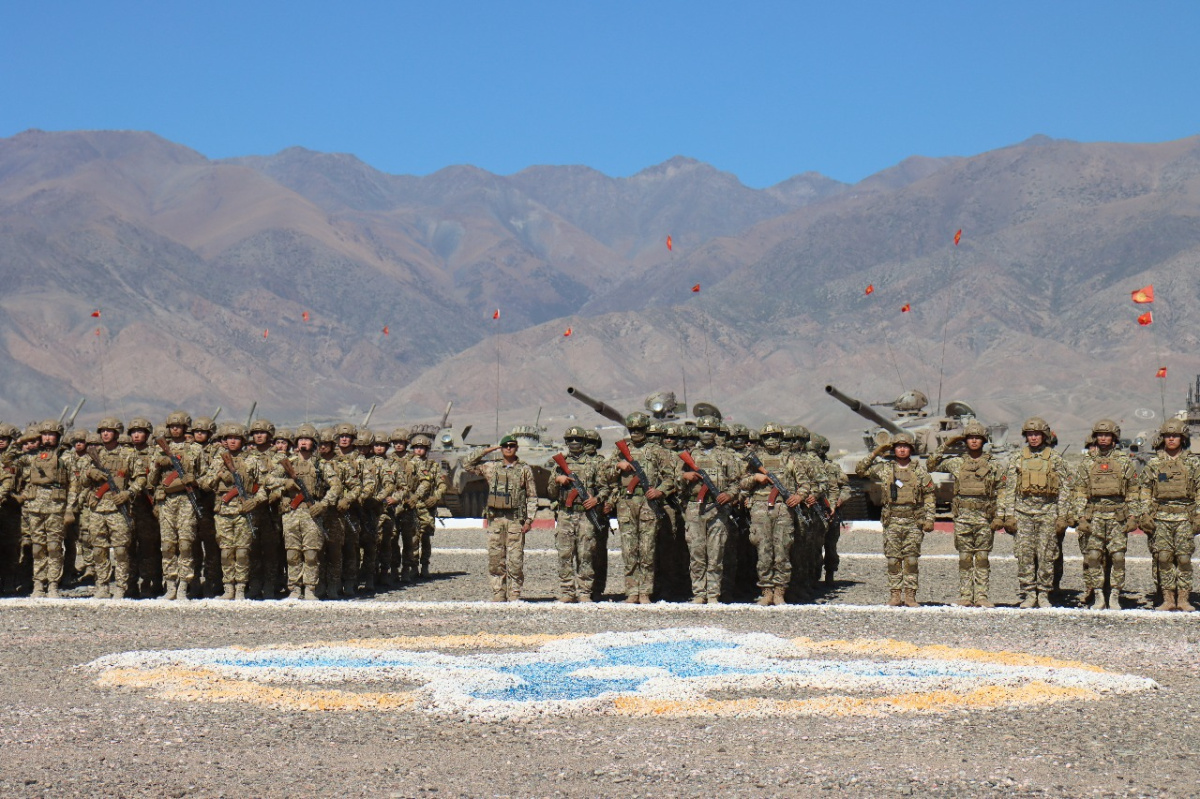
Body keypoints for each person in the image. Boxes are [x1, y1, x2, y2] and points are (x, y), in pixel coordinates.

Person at [999, 417, 1072, 608]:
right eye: (1030, 434)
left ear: (1044, 436)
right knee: (1025, 555)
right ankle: (1029, 593)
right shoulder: (1017, 458)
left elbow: (1065, 489)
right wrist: (1009, 515)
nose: (1033, 438)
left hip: (1047, 513)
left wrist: (1062, 516)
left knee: (1047, 555)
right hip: (1023, 514)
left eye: (1037, 434)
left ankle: (1044, 593)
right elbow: (1009, 489)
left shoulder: (1055, 459)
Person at [928, 420, 1002, 607]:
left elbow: (1002, 490)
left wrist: (1000, 515)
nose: (974, 441)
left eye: (978, 438)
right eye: (970, 438)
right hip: (963, 517)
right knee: (965, 558)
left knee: (983, 557)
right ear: (965, 440)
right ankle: (966, 596)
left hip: (985, 516)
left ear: (983, 440)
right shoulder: (956, 462)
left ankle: (982, 596)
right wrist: (946, 444)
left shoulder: (993, 465)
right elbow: (931, 465)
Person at [856, 431, 935, 607]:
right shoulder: (885, 469)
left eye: (905, 446)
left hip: (913, 521)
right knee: (893, 559)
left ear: (910, 449)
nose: (901, 450)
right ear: (893, 449)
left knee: (911, 560)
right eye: (898, 446)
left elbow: (929, 496)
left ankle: (910, 596)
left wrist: (929, 518)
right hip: (892, 520)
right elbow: (860, 470)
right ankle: (895, 595)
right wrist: (876, 451)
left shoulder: (919, 472)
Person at [1070, 419, 1140, 610]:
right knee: (1093, 556)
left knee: (1117, 557)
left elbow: (1133, 490)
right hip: (1095, 516)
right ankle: (1099, 594)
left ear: (1114, 438)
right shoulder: (1087, 463)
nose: (1103, 438)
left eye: (1107, 435)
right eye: (1100, 435)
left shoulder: (1124, 462)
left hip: (1117, 516)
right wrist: (1081, 518)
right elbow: (1079, 491)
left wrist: (1133, 517)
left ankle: (1115, 594)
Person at [607, 413, 676, 604]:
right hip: (627, 503)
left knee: (647, 548)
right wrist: (618, 467)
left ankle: (645, 591)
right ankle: (632, 591)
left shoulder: (656, 451)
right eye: (632, 430)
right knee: (629, 549)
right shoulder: (620, 451)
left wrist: (659, 491)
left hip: (648, 503)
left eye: (639, 429)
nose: (636, 433)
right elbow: (606, 475)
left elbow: (671, 477)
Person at [72, 418, 143, 599]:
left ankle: (121, 587)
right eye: (102, 430)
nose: (105, 433)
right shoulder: (93, 455)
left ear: (117, 433)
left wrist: (129, 493)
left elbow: (141, 478)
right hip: (97, 508)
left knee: (120, 550)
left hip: (119, 509)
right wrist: (89, 473)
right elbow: (82, 481)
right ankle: (102, 586)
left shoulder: (128, 454)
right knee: (98, 549)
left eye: (109, 430)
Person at [740, 423, 811, 605]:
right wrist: (756, 477)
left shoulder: (791, 459)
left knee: (782, 551)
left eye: (775, 436)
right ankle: (766, 591)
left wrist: (798, 496)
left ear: (781, 438)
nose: (771, 440)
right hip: (761, 509)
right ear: (762, 440)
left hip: (783, 510)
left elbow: (804, 484)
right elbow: (742, 483)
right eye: (767, 437)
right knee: (763, 551)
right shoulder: (756, 460)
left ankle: (780, 591)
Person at [270, 423, 341, 600]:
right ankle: (294, 589)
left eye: (307, 440)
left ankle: (310, 588)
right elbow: (268, 479)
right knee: (292, 553)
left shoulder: (320, 465)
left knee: (311, 554)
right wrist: (285, 483)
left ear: (313, 443)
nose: (303, 443)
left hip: (312, 514)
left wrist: (324, 504)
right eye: (301, 439)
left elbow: (336, 485)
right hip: (291, 513)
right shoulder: (288, 463)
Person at [463, 435, 538, 601]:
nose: (508, 448)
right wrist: (489, 449)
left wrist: (529, 520)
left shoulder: (524, 469)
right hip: (496, 520)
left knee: (516, 560)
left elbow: (532, 496)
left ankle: (514, 593)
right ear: (501, 448)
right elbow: (467, 464)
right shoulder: (492, 467)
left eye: (512, 445)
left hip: (515, 520)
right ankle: (498, 593)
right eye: (505, 446)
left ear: (516, 448)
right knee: (496, 559)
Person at [198, 423, 267, 600]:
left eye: (236, 438)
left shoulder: (252, 460)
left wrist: (255, 501)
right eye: (229, 438)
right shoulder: (218, 460)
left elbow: (265, 485)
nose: (232, 441)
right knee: (226, 552)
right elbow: (204, 485)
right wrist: (218, 475)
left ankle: (241, 587)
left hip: (244, 512)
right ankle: (229, 587)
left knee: (242, 552)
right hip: (223, 512)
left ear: (243, 440)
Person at [679, 416, 743, 604]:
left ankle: (713, 593)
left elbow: (737, 482)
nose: (706, 434)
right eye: (702, 430)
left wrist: (729, 495)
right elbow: (676, 480)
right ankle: (699, 592)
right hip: (695, 508)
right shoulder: (689, 455)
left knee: (715, 553)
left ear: (716, 433)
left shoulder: (726, 456)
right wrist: (685, 476)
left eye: (710, 430)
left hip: (718, 509)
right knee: (697, 552)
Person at [1138, 419, 1200, 611]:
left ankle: (1183, 599)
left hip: (1184, 517)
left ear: (1183, 438)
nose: (1171, 439)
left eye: (1175, 436)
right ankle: (1168, 598)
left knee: (1183, 559)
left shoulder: (1193, 462)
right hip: (1161, 518)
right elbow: (1145, 489)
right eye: (1167, 436)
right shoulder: (1155, 463)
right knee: (1163, 558)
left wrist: (1198, 515)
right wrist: (1146, 513)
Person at [547, 427, 607, 602]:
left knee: (586, 554)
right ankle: (567, 591)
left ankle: (584, 591)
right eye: (571, 440)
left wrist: (596, 499)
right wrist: (557, 480)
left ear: (584, 442)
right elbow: (551, 492)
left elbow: (605, 488)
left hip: (586, 515)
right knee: (565, 554)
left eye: (578, 440)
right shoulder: (559, 465)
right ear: (566, 442)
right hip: (566, 514)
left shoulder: (595, 463)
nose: (574, 443)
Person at [153, 411, 205, 600]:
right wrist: (159, 465)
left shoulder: (196, 450)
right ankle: (171, 585)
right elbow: (152, 480)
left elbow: (206, 477)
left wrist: (195, 480)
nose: (175, 429)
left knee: (185, 544)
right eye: (172, 426)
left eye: (179, 426)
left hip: (187, 501)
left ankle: (184, 584)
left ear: (185, 428)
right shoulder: (159, 449)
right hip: (167, 503)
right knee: (167, 546)